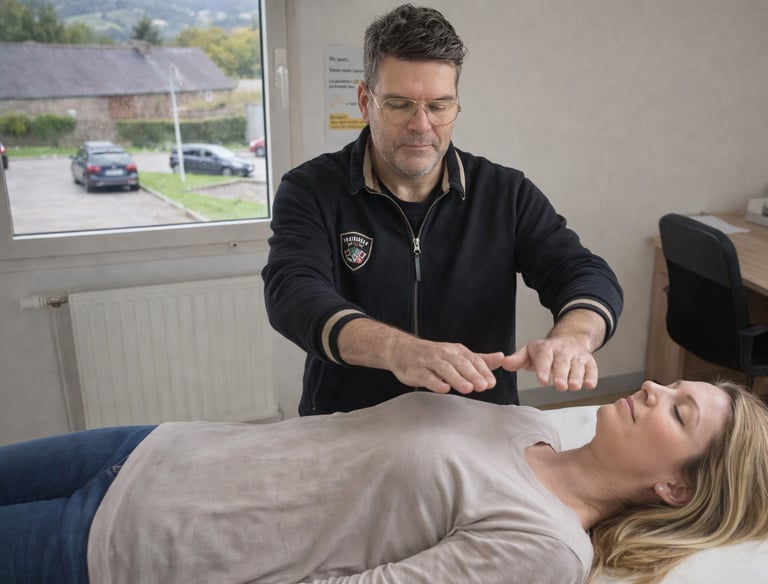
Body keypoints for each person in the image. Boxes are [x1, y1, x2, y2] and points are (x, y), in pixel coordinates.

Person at [2, 380, 767, 584]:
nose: (657, 387)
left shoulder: (546, 548)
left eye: (680, 410)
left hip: (127, 545)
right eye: (674, 385)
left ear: (676, 489)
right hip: (155, 449)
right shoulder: (524, 425)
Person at [262, 4, 624, 416]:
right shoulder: (310, 189)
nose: (421, 124)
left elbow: (584, 272)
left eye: (439, 105)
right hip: (349, 425)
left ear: (455, 105)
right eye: (399, 105)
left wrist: (573, 338)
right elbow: (291, 291)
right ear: (365, 101)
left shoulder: (507, 193)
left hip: (478, 424)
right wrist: (397, 350)